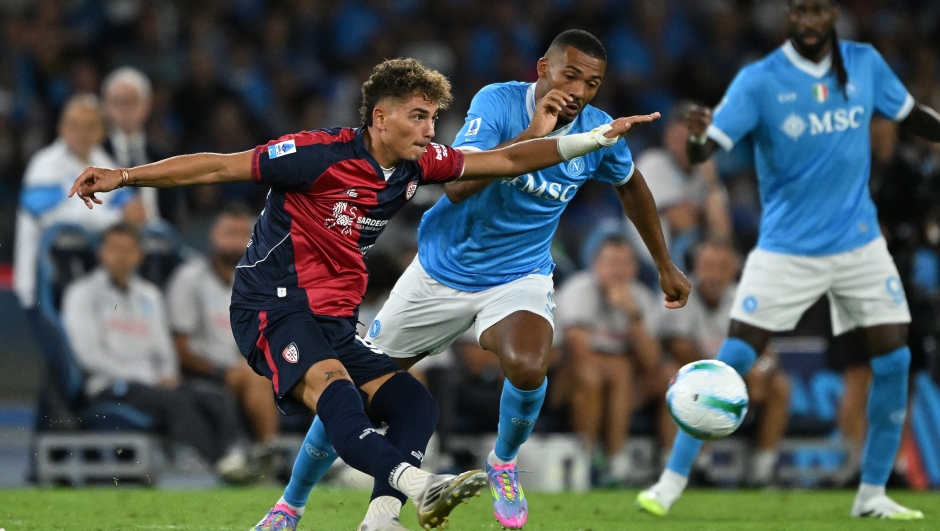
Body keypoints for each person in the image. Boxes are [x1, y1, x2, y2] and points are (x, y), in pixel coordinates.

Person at [70, 58, 657, 531]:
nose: (431, 132)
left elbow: (502, 160)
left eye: (433, 120)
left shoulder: (414, 166)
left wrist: (595, 139)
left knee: (415, 406)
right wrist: (125, 176)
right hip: (273, 303)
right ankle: (415, 485)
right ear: (381, 118)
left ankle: (379, 518)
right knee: (336, 395)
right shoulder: (316, 153)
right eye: (420, 117)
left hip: (331, 318)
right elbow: (218, 167)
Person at [281, 30, 689, 531]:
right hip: (440, 271)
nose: (580, 91)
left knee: (528, 365)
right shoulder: (497, 102)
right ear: (543, 68)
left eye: (593, 82)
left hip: (518, 275)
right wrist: (535, 135)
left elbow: (632, 187)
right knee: (351, 391)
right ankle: (290, 506)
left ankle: (503, 463)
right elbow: (456, 186)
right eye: (571, 75)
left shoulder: (599, 132)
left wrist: (664, 263)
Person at [636, 0, 940, 519]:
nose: (809, 20)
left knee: (895, 361)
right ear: (788, 20)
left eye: (818, 10)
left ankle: (872, 493)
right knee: (732, 360)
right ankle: (670, 481)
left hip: (859, 244)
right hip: (785, 250)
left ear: (832, 16)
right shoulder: (761, 80)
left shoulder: (864, 63)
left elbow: (911, 117)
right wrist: (698, 137)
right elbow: (708, 149)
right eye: (799, 11)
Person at [61, 223, 250, 476]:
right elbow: (88, 356)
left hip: (154, 383)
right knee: (173, 400)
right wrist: (147, 377)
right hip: (109, 385)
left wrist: (168, 375)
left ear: (139, 254)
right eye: (114, 249)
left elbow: (164, 350)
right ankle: (214, 463)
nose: (121, 256)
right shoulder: (81, 294)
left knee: (213, 396)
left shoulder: (150, 296)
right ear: (101, 253)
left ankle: (236, 455)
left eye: (128, 250)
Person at [659, 238, 790, 487]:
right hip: (693, 375)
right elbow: (678, 347)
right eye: (708, 265)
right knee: (696, 387)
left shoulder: (746, 299)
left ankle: (763, 470)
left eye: (722, 267)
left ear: (734, 271)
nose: (714, 274)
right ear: (696, 266)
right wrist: (726, 376)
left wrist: (760, 371)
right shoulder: (679, 290)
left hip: (735, 377)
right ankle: (692, 467)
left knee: (779, 386)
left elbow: (768, 353)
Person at [554, 234, 674, 485]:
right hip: (568, 379)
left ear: (634, 268)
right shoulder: (579, 289)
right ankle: (593, 463)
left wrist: (633, 316)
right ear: (595, 265)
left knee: (670, 378)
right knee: (607, 372)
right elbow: (578, 352)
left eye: (625, 263)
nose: (618, 271)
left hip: (625, 385)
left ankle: (671, 466)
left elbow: (652, 362)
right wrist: (619, 365)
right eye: (611, 263)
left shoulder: (639, 297)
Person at [14, 94, 145, 309]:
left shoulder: (104, 162)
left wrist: (131, 211)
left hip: (90, 265)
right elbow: (57, 217)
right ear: (60, 128)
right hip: (48, 273)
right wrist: (118, 216)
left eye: (89, 126)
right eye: (74, 125)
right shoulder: (44, 164)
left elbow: (132, 208)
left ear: (102, 132)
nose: (81, 133)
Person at [166, 204, 280, 447]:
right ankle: (271, 450)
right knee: (256, 377)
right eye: (229, 233)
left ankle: (332, 455)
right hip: (204, 372)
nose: (236, 242)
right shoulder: (189, 278)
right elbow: (180, 347)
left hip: (245, 368)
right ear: (213, 235)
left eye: (243, 235)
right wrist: (219, 371)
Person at [632, 101, 732, 272]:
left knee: (724, 257)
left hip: (687, 260)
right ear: (667, 137)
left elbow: (723, 234)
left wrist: (712, 184)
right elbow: (684, 223)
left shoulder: (705, 173)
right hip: (644, 264)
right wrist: (704, 215)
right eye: (678, 137)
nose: (685, 145)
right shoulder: (653, 163)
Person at [101, 67, 166, 222]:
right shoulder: (95, 154)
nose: (126, 109)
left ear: (147, 105)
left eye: (132, 101)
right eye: (119, 102)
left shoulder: (162, 156)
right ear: (106, 106)